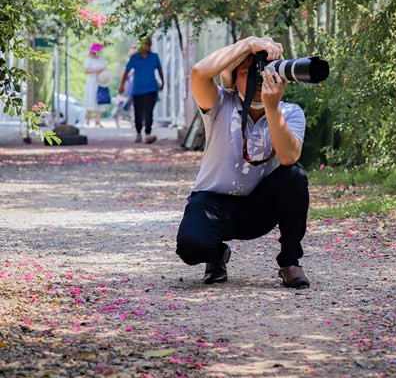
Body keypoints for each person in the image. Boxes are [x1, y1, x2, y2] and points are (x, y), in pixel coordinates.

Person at [174, 36, 310, 288]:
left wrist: (272, 108)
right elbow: (199, 73)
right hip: (213, 203)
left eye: (266, 72)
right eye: (249, 72)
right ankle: (215, 255)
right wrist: (249, 44)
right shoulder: (220, 103)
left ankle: (290, 262)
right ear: (234, 79)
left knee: (295, 176)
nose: (259, 80)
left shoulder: (290, 112)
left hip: (257, 208)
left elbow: (289, 156)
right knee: (191, 247)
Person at [118, 37, 164, 143]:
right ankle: (138, 133)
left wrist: (163, 82)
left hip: (151, 89)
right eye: (146, 43)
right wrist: (122, 86)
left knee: (149, 112)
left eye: (149, 43)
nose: (147, 46)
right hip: (137, 90)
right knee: (138, 113)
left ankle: (148, 134)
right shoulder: (135, 58)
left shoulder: (154, 57)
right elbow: (126, 71)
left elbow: (160, 70)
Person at [83, 43, 108, 128]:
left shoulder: (102, 59)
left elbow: (105, 68)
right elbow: (86, 71)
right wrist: (96, 70)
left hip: (101, 82)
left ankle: (98, 120)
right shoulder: (89, 60)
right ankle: (87, 119)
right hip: (92, 82)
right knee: (91, 99)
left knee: (100, 100)